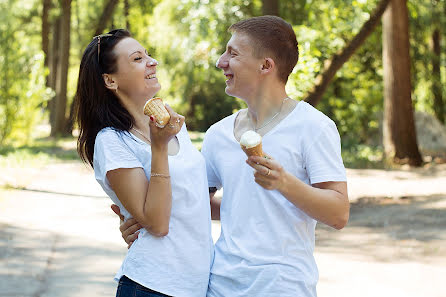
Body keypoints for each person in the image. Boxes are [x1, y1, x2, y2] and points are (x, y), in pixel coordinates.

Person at [119, 15, 349, 297]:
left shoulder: (314, 127)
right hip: (219, 284)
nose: (220, 61)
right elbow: (192, 202)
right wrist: (138, 220)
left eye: (233, 53)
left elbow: (339, 213)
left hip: (282, 286)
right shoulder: (219, 134)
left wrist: (284, 183)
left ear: (266, 65)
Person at [75, 29, 213, 297]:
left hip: (194, 285)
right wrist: (159, 148)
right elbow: (158, 224)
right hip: (153, 286)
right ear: (110, 80)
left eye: (148, 55)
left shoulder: (171, 125)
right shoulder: (112, 141)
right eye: (138, 58)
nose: (153, 62)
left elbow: (194, 202)